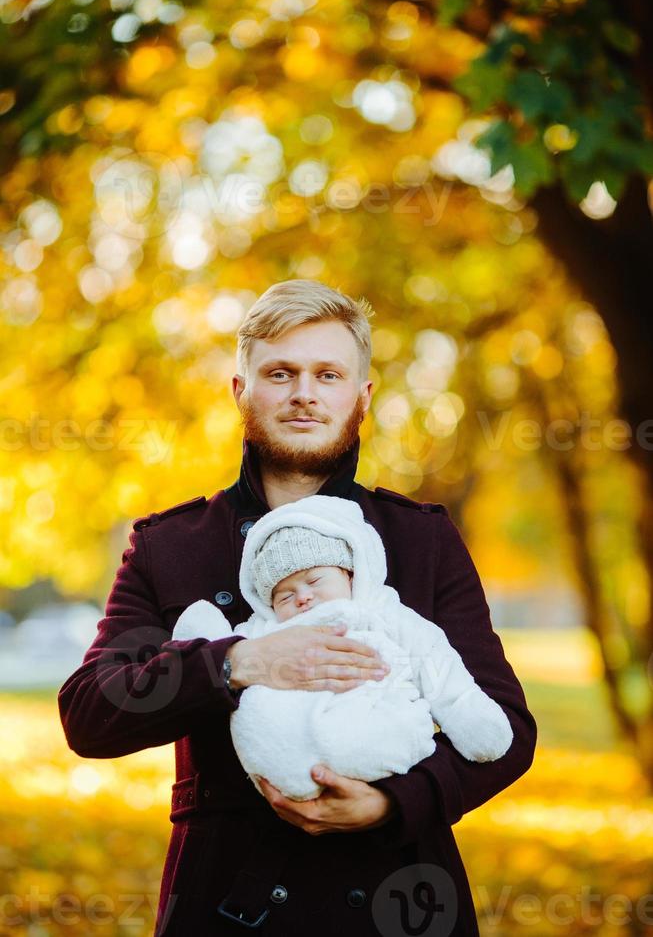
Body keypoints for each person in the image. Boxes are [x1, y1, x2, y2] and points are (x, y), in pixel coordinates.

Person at [58, 278, 537, 937]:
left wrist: (393, 803)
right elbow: (88, 713)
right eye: (279, 373)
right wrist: (238, 662)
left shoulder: (420, 539)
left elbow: (506, 729)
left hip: (398, 898)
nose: (304, 393)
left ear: (361, 396)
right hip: (227, 899)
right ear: (240, 390)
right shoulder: (170, 546)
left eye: (327, 374)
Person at [172, 493, 514, 801]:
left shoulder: (382, 614)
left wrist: (465, 710)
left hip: (377, 731)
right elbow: (230, 651)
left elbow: (435, 662)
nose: (303, 596)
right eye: (285, 595)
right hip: (284, 756)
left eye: (315, 580)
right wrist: (221, 649)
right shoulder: (267, 630)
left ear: (350, 575)